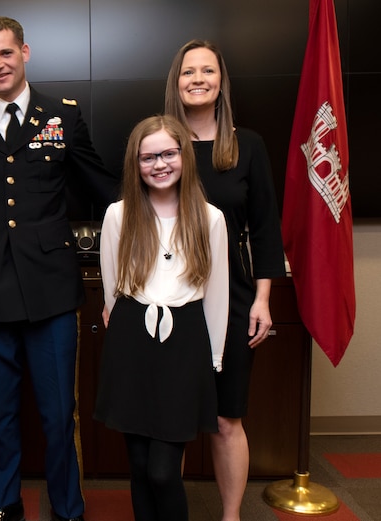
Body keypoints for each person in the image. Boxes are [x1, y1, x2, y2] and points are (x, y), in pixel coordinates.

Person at [0, 15, 118, 521]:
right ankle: (2, 505)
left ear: (25, 53)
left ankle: (67, 508)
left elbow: (106, 191)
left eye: (6, 53)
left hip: (52, 291)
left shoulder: (62, 116)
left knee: (58, 415)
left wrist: (159, 227)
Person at [164, 40, 286, 521]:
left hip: (233, 299)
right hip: (168, 296)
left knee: (225, 418)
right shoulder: (159, 142)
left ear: (220, 82)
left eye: (207, 71)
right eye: (188, 71)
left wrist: (263, 299)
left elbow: (266, 228)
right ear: (176, 82)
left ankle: (230, 516)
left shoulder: (248, 145)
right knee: (169, 420)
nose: (198, 78)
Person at [95, 114, 229, 520]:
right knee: (138, 466)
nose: (159, 164)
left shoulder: (210, 217)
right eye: (147, 157)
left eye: (168, 153)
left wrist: (215, 358)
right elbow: (112, 285)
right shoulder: (119, 214)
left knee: (163, 471)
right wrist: (121, 330)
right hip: (132, 340)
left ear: (184, 156)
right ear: (135, 164)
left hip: (184, 344)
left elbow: (218, 294)